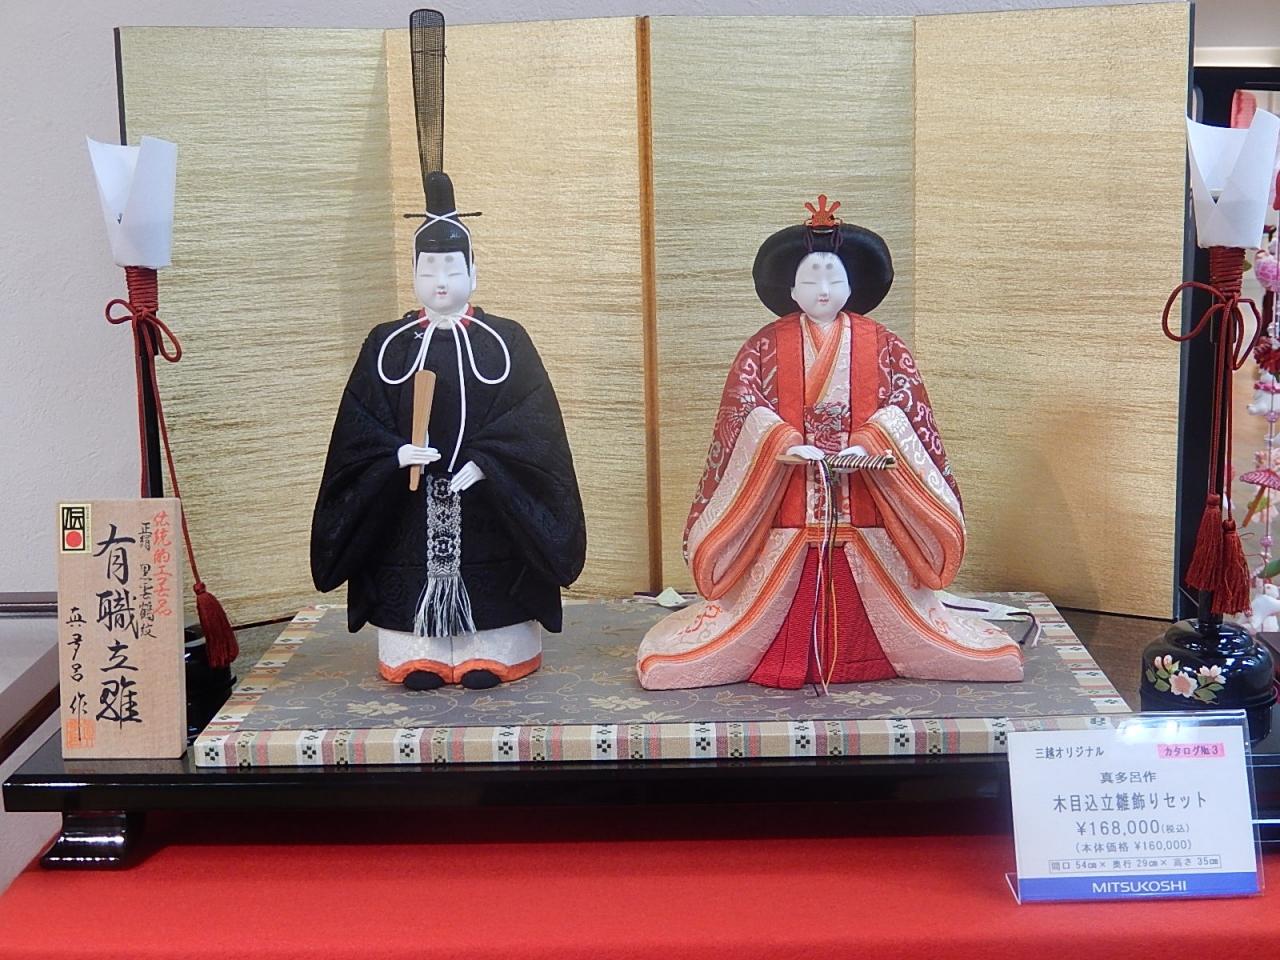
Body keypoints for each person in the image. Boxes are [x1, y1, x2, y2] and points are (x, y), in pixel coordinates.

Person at [637, 196, 1023, 690]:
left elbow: (906, 407)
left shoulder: (884, 345)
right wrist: (780, 441)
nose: (823, 291)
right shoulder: (763, 346)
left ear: (852, 285)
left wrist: (871, 441)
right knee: (767, 601)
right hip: (787, 498)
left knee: (887, 596)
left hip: (867, 497)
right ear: (790, 289)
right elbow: (743, 409)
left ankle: (874, 655)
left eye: (834, 280)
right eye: (810, 281)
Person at [311, 172, 586, 690]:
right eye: (429, 269)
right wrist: (394, 456)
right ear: (413, 274)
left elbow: (534, 424)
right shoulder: (386, 344)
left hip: (488, 506)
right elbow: (357, 427)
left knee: (493, 603)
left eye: (452, 269)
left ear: (474, 272)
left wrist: (490, 464)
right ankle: (420, 654)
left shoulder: (506, 341)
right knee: (410, 598)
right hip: (406, 509)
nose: (441, 281)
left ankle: (492, 650)